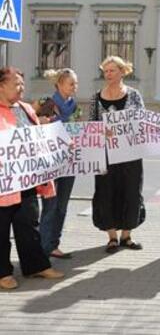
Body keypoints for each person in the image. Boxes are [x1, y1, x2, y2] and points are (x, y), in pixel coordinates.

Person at [0, 67, 64, 290]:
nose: (21, 88)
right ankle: (3, 272)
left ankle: (36, 265)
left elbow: (35, 139)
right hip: (3, 184)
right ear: (1, 85)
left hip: (25, 181)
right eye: (16, 83)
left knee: (28, 224)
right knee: (1, 228)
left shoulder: (26, 108)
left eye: (22, 84)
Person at [88, 56, 146, 253]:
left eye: (112, 70)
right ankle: (112, 237)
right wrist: (101, 130)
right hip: (105, 153)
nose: (108, 74)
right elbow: (91, 125)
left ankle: (127, 235)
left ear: (122, 72)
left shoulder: (134, 95)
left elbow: (142, 120)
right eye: (106, 71)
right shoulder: (96, 97)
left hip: (130, 153)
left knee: (131, 190)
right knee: (106, 192)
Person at [35, 68, 80, 259]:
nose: (74, 87)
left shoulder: (74, 106)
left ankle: (54, 244)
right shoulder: (47, 103)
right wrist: (40, 121)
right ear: (59, 84)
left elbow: (78, 129)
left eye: (76, 83)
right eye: (71, 83)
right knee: (50, 206)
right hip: (50, 165)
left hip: (69, 163)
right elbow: (29, 125)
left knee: (62, 206)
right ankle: (43, 247)